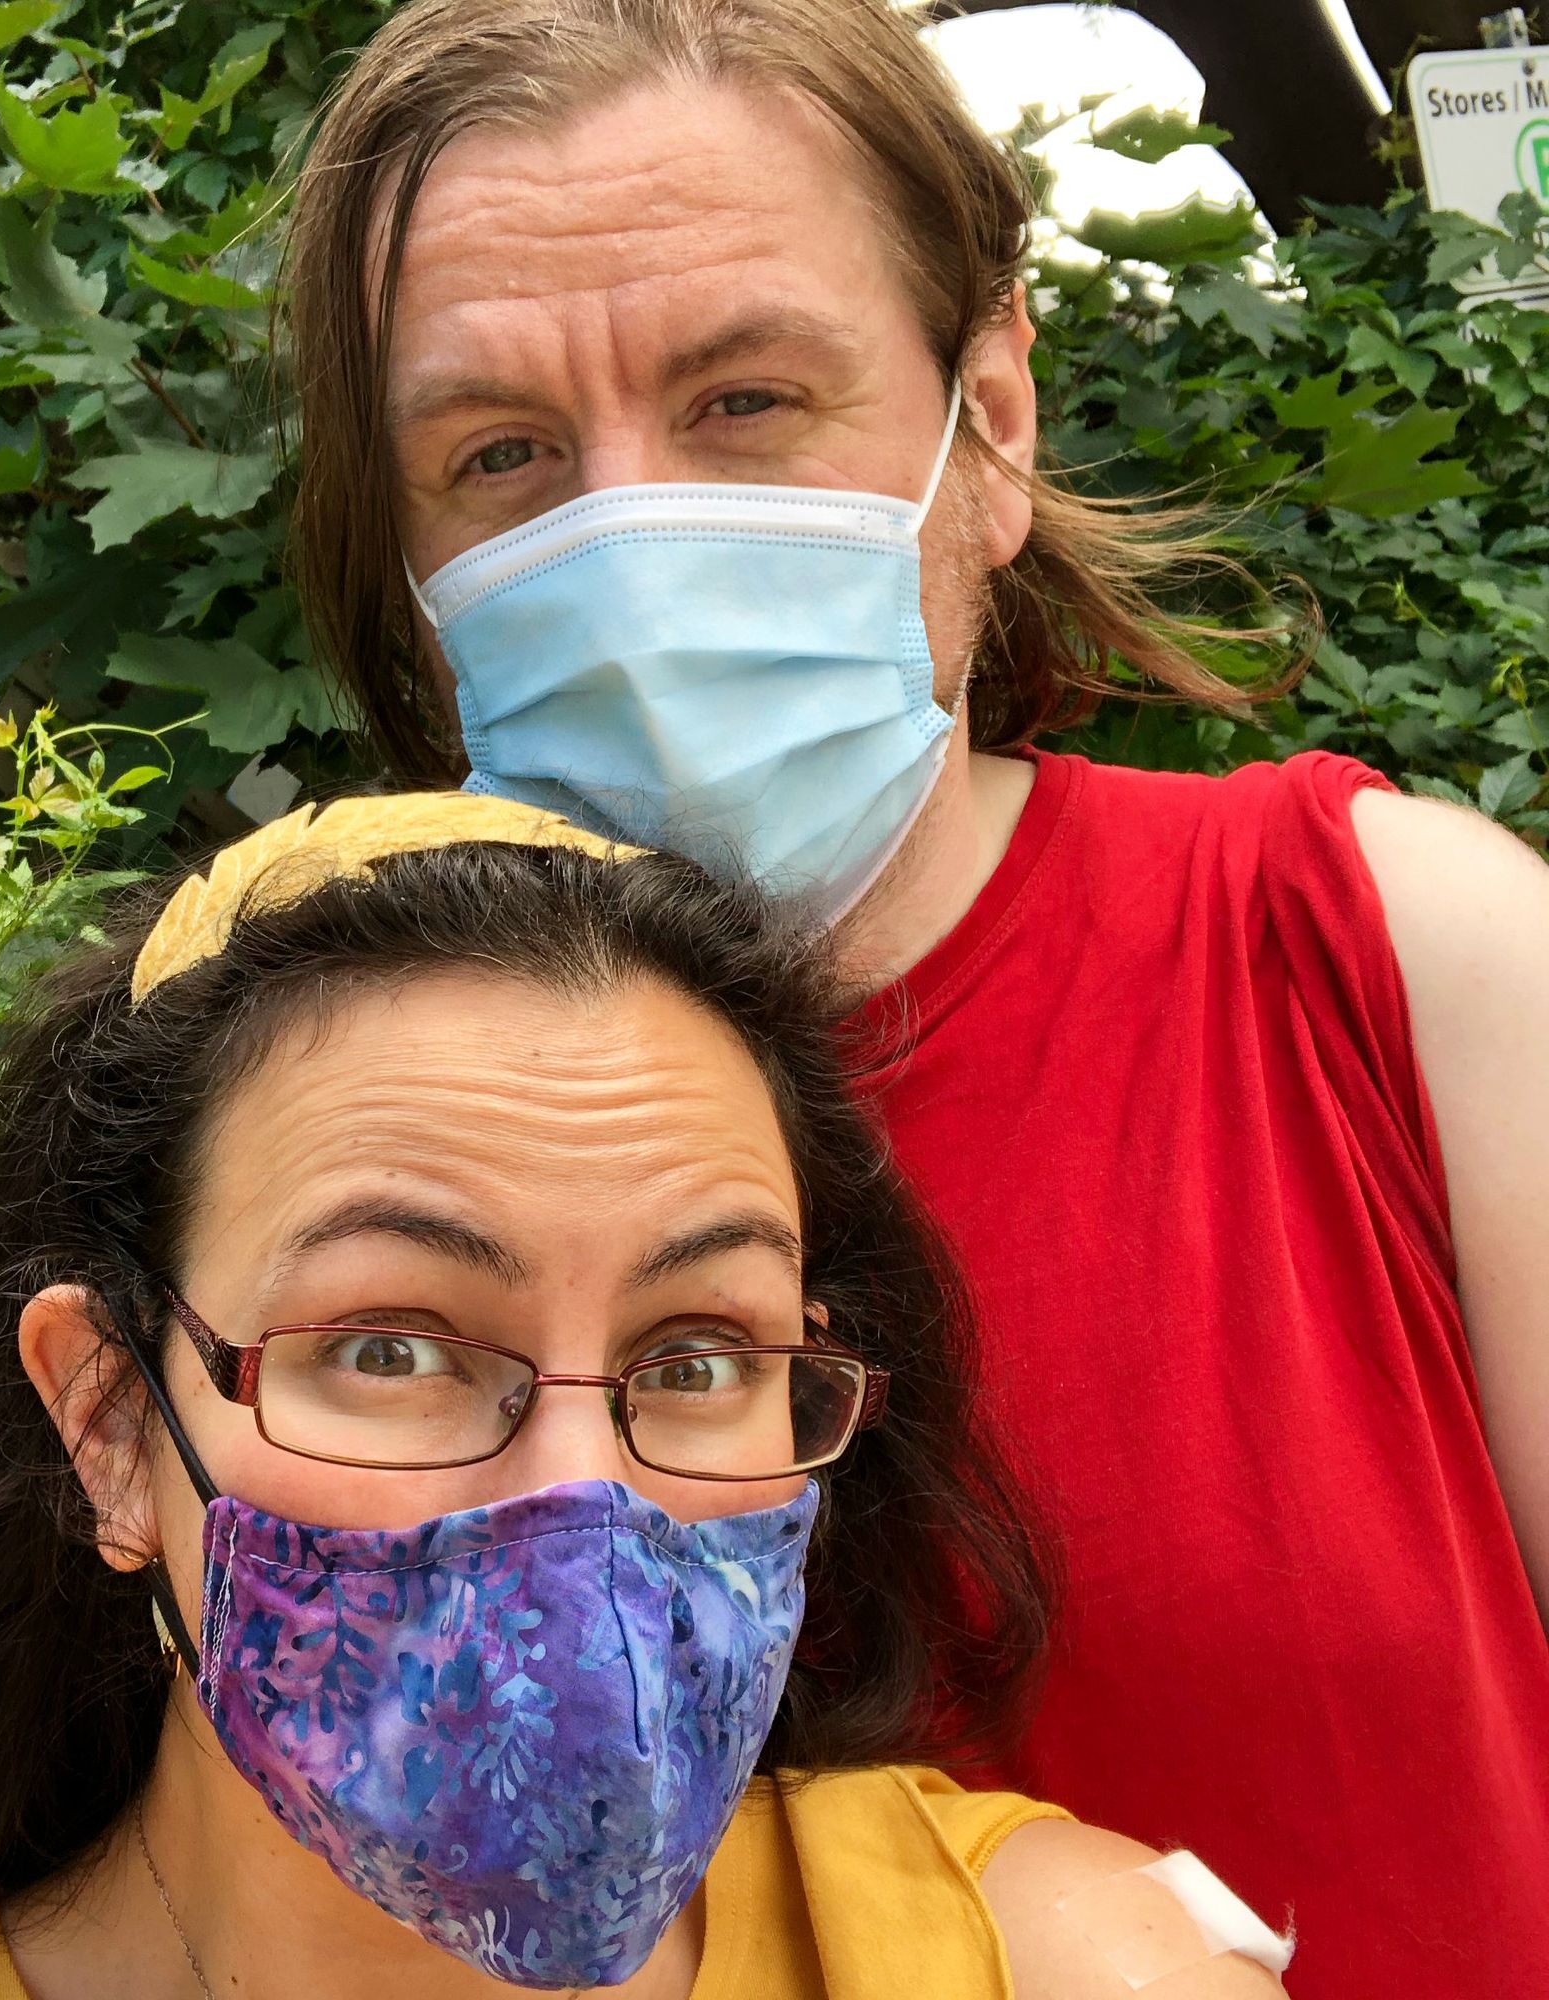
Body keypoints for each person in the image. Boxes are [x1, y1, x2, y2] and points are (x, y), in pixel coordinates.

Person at [275, 3, 1549, 1995]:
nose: (627, 529)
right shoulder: (307, 1152)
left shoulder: (1405, 965)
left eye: (746, 399)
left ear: (996, 427)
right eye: (500, 452)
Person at [0, 795, 1290, 2000]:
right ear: (108, 1424)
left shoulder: (1065, 1961)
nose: (581, 1500)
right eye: (389, 1348)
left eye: (698, 1360)